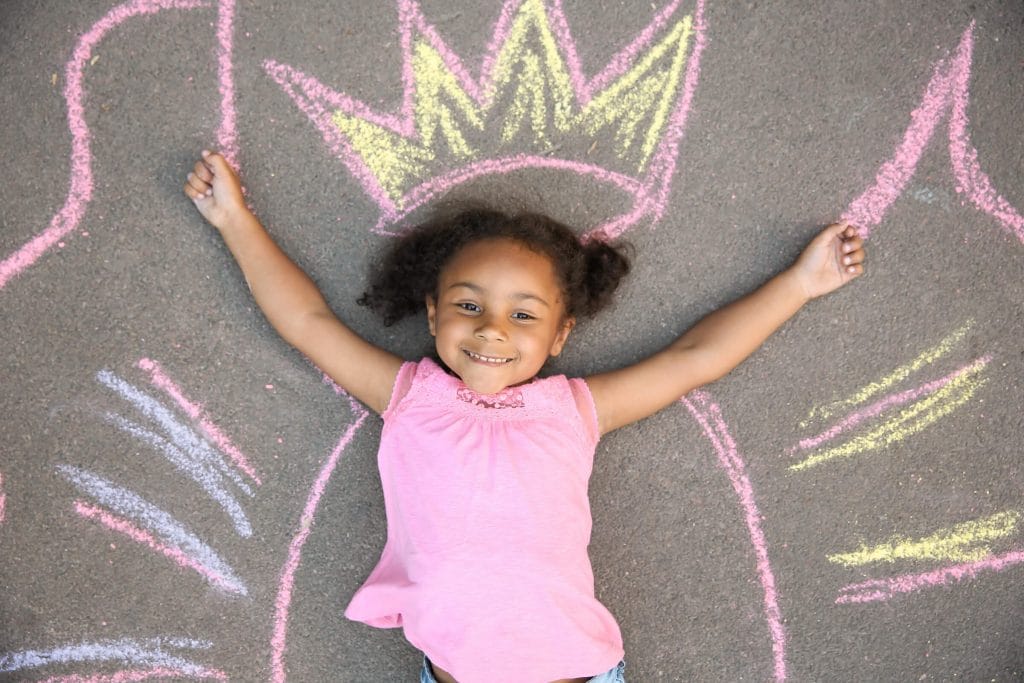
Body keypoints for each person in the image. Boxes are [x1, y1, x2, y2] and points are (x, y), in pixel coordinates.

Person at [184, 150, 865, 683]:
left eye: (524, 314)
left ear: (560, 333)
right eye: (469, 305)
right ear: (432, 312)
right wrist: (235, 222)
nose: (492, 330)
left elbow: (694, 358)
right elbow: (306, 323)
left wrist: (799, 284)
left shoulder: (572, 410)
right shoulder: (408, 396)